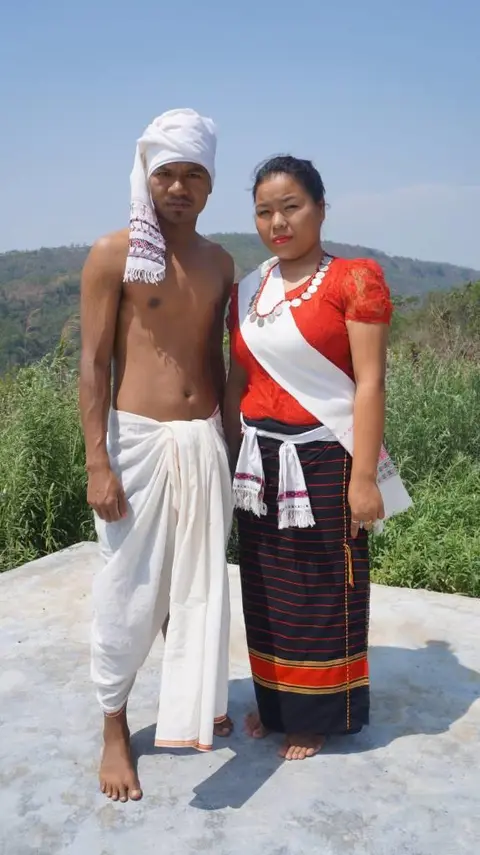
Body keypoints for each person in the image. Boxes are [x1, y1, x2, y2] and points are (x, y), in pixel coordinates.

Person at [224, 155, 411, 762]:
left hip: (327, 459)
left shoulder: (354, 280)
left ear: (320, 209)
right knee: (267, 587)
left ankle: (316, 715)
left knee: (325, 587)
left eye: (291, 207)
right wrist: (228, 455)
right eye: (264, 212)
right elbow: (236, 381)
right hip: (259, 464)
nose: (277, 222)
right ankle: (277, 701)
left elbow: (370, 382)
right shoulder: (247, 291)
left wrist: (364, 478)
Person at [80, 108, 234, 803]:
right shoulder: (113, 254)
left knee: (195, 580)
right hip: (137, 443)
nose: (178, 187)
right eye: (166, 173)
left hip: (203, 440)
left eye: (192, 175)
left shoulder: (220, 262)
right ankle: (114, 723)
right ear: (147, 177)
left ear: (210, 184)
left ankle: (190, 698)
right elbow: (93, 363)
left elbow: (216, 358)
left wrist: (232, 444)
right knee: (128, 588)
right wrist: (98, 462)